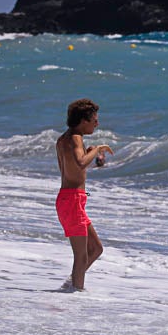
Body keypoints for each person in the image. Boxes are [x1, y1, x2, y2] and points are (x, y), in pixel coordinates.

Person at [55, 98, 114, 291]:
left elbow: (73, 166)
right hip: (72, 200)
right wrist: (96, 149)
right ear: (83, 120)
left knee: (96, 249)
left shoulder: (63, 139)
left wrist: (90, 153)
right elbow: (80, 163)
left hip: (70, 199)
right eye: (94, 120)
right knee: (81, 255)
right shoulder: (75, 138)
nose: (97, 124)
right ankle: (75, 293)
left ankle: (71, 285)